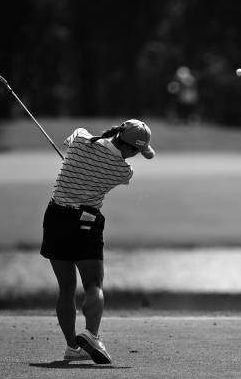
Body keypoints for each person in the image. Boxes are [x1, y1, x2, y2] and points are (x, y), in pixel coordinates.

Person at [40, 119, 155, 364]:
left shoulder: (80, 137)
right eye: (135, 152)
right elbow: (120, 160)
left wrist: (78, 164)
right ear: (132, 150)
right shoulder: (123, 171)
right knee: (93, 285)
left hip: (55, 218)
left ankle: (72, 347)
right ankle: (91, 334)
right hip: (85, 221)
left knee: (66, 288)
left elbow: (71, 142)